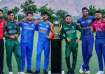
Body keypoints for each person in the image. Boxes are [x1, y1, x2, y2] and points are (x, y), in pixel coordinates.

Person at [77, 7, 95, 74]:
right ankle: (87, 69)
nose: (85, 12)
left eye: (86, 11)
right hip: (84, 38)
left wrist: (93, 27)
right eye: (84, 11)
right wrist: (82, 28)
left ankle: (83, 66)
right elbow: (78, 27)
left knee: (89, 53)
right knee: (84, 54)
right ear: (82, 12)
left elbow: (98, 21)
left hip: (90, 37)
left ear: (88, 12)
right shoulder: (79, 20)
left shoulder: (92, 18)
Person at [0, 9, 6, 74]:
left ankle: (1, 70)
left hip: (1, 41)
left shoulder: (4, 22)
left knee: (1, 56)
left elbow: (7, 30)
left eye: (0, 13)